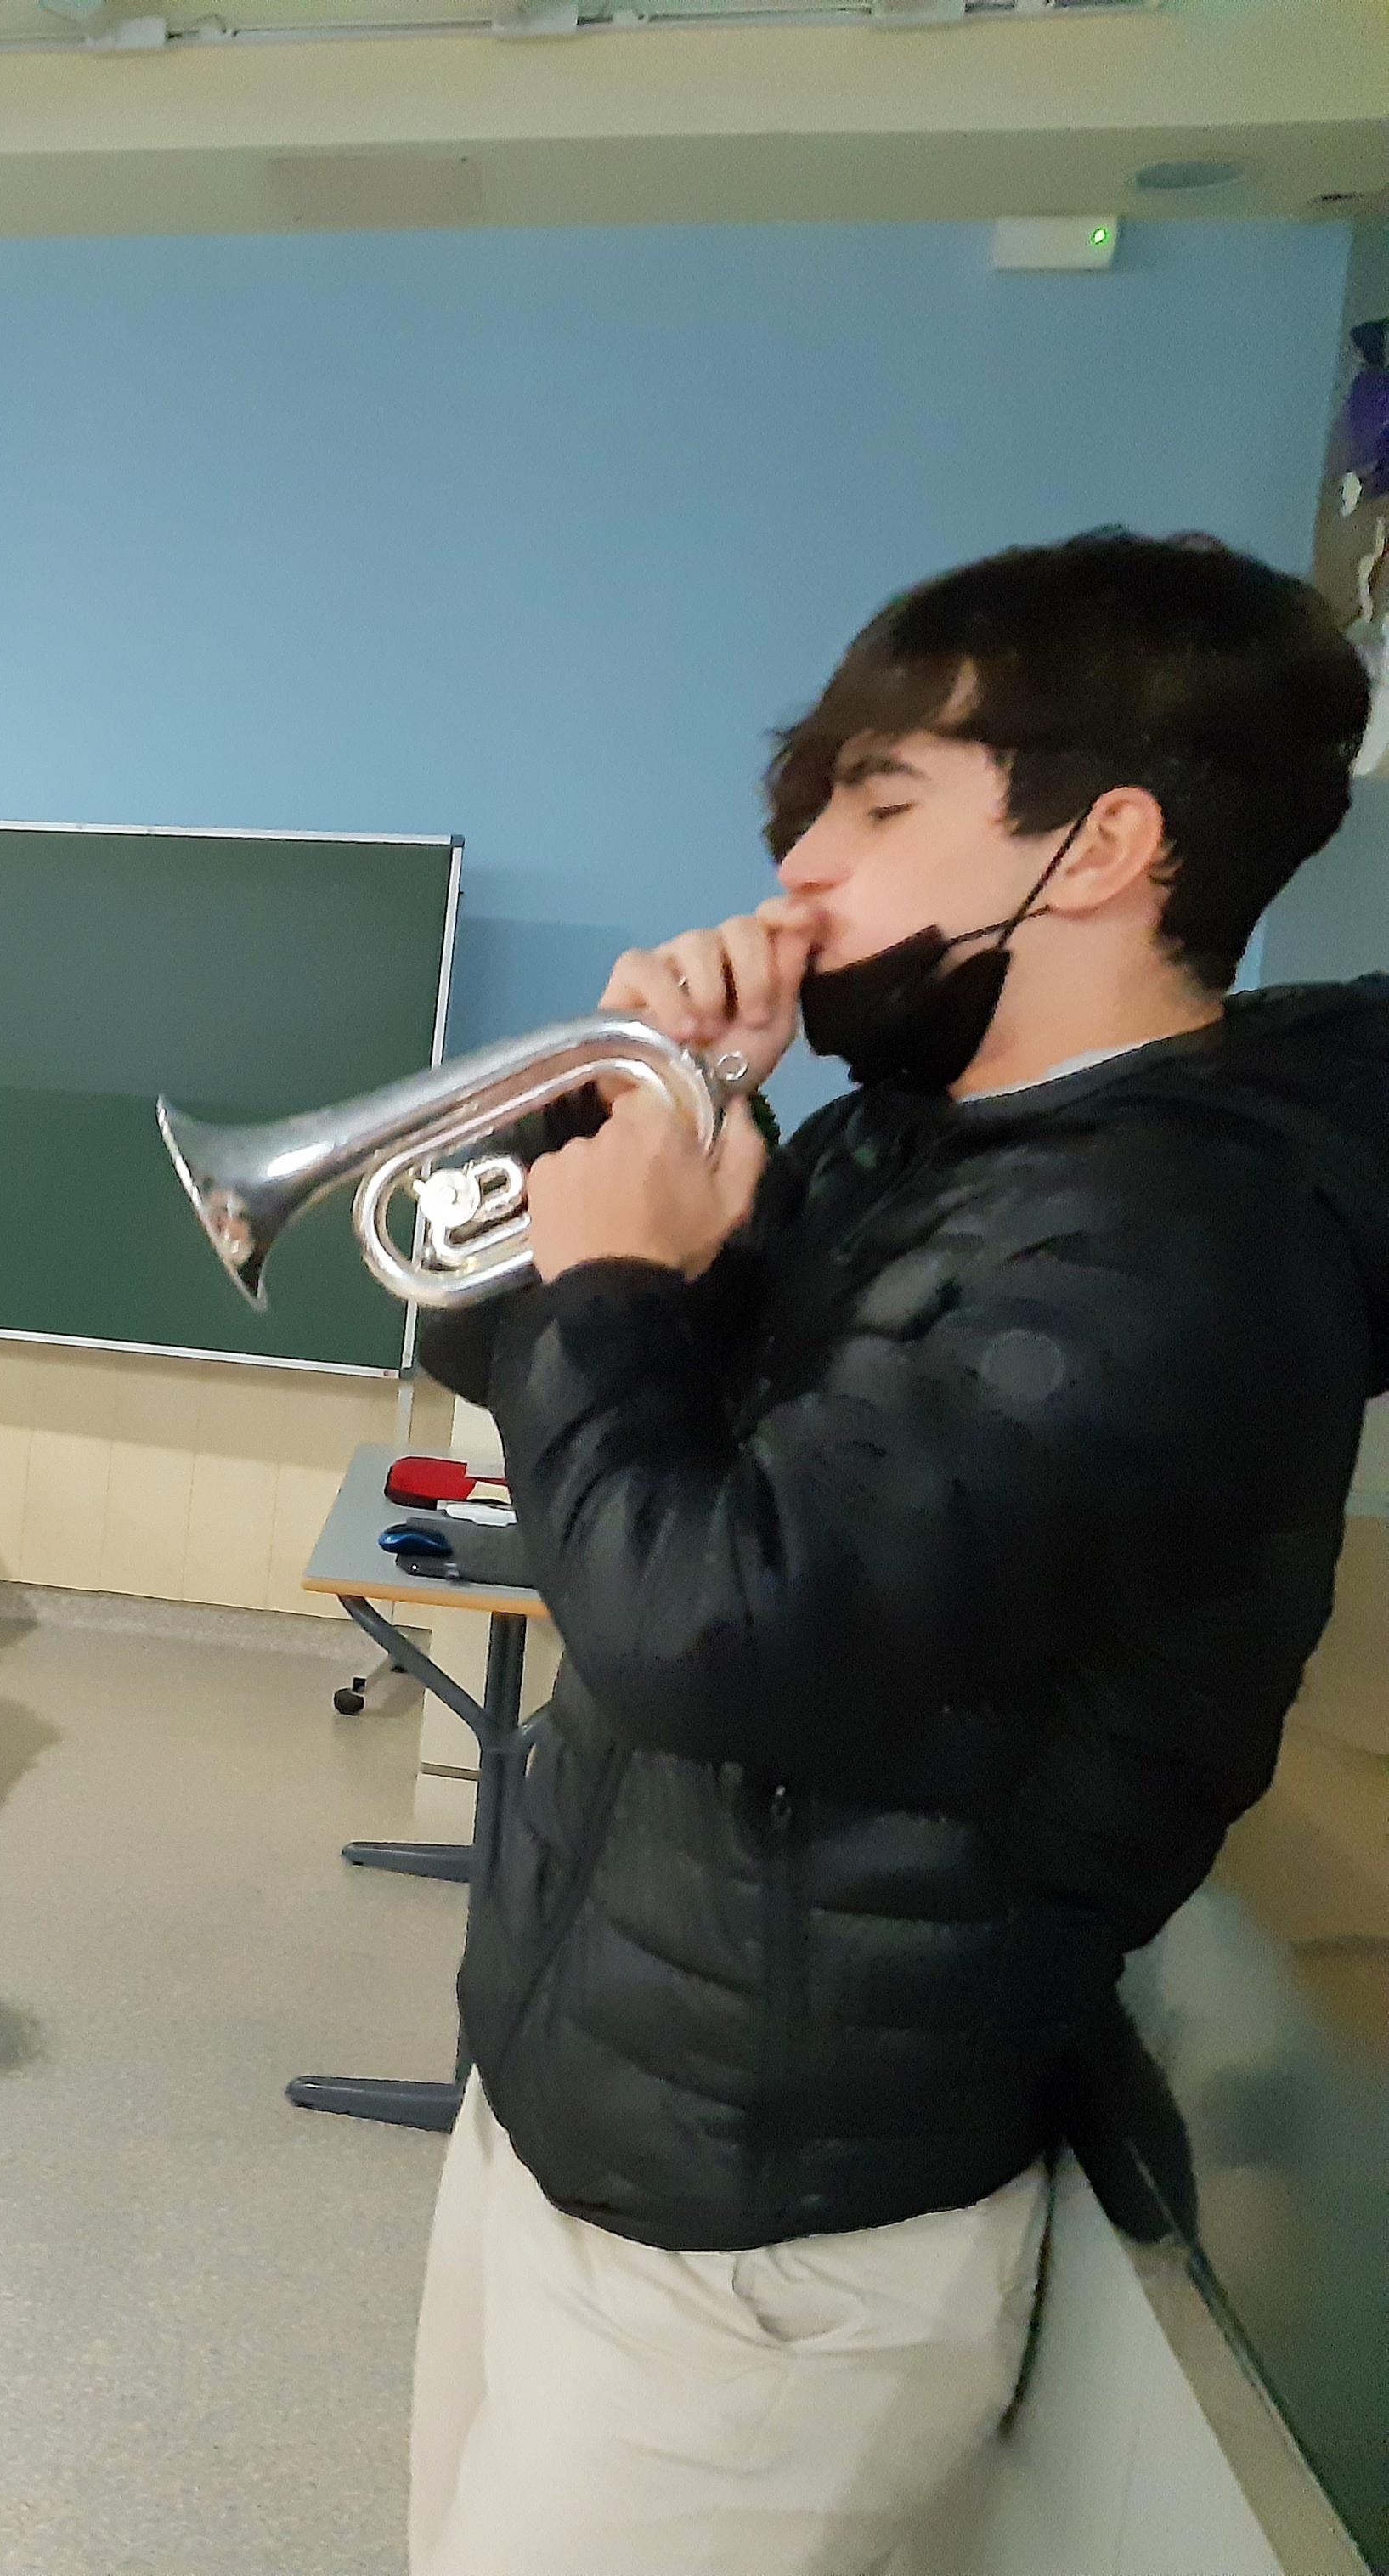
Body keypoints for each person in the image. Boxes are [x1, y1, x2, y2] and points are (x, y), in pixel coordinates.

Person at [403, 529, 1387, 2576]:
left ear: (1102, 845)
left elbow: (699, 1621)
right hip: (588, 2089)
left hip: (765, 2239)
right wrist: (598, 1130)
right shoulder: (899, 1148)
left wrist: (607, 1297)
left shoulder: (1168, 1251)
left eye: (870, 806)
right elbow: (517, 1365)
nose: (794, 881)